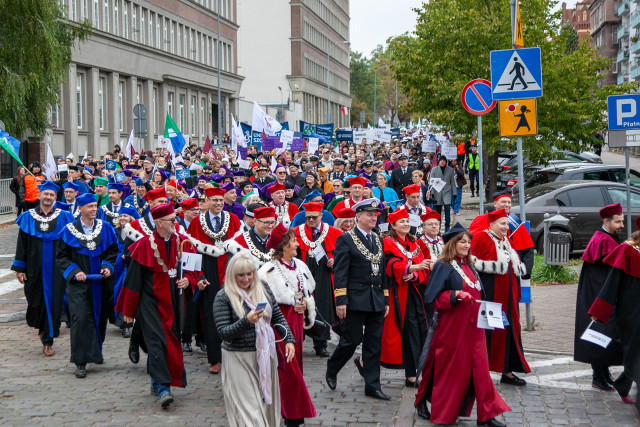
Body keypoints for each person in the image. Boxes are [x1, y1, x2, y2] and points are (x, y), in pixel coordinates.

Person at [415, 223, 510, 426]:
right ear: (453, 243)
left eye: (468, 242)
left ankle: (487, 416)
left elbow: (478, 292)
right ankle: (426, 402)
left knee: (482, 371)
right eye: (462, 242)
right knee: (449, 371)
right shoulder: (444, 265)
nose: (467, 245)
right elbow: (433, 296)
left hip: (475, 328)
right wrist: (454, 294)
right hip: (452, 329)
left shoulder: (469, 265)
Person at [116, 203, 205, 408]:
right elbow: (133, 281)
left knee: (171, 341)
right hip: (151, 304)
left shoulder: (184, 243)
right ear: (159, 223)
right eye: (172, 220)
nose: (176, 223)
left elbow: (194, 271)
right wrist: (128, 312)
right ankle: (165, 388)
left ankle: (156, 381)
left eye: (176, 219)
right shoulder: (144, 245)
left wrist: (189, 281)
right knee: (157, 342)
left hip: (175, 301)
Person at [213, 252, 295, 427]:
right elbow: (223, 333)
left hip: (265, 356)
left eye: (249, 273)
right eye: (240, 275)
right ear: (232, 275)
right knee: (250, 413)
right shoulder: (223, 296)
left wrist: (289, 340)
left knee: (267, 409)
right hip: (238, 358)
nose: (246, 278)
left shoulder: (263, 288)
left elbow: (278, 318)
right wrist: (246, 321)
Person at [326, 198, 391, 401]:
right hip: (355, 299)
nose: (373, 218)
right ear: (359, 216)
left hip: (376, 299)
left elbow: (382, 271)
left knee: (373, 344)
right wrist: (341, 300)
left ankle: (373, 385)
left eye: (375, 215)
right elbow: (340, 271)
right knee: (351, 340)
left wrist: (385, 298)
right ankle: (333, 366)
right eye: (369, 215)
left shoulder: (378, 239)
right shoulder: (346, 239)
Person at [259, 225, 317, 426]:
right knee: (287, 368)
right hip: (280, 324)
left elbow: (308, 290)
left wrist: (304, 304)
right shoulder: (268, 271)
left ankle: (286, 408)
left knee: (296, 367)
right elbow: (262, 301)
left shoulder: (300, 265)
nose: (297, 244)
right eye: (293, 241)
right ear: (283, 245)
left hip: (298, 321)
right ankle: (294, 413)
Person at [57, 193, 119, 378]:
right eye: (90, 206)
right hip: (79, 285)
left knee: (99, 319)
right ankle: (80, 361)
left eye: (95, 206)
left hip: (100, 284)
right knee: (81, 319)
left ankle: (95, 352)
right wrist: (75, 271)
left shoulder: (105, 228)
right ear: (81, 209)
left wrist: (108, 266)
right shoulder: (68, 230)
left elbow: (112, 251)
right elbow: (61, 257)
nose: (94, 209)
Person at [11, 181, 74, 356]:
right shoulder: (28, 217)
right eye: (45, 194)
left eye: (51, 195)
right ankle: (42, 328)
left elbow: (70, 244)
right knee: (35, 301)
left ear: (56, 198)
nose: (48, 197)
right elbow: (21, 245)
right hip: (34, 269)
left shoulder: (64, 217)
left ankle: (48, 340)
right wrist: (20, 268)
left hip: (57, 269)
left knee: (54, 304)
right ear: (39, 196)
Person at [471, 209, 531, 385]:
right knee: (489, 333)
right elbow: (474, 265)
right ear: (491, 225)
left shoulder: (506, 240)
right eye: (502, 224)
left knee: (510, 330)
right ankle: (480, 372)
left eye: (506, 224)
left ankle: (507, 371)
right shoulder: (482, 238)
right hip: (491, 295)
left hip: (509, 296)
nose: (506, 227)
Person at [187, 186, 241, 374]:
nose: (218, 203)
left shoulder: (233, 220)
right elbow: (192, 251)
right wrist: (198, 276)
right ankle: (214, 359)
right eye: (214, 200)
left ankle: (233, 355)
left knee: (234, 313)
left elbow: (239, 247)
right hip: (207, 270)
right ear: (207, 202)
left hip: (229, 270)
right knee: (210, 315)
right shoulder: (196, 222)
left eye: (221, 200)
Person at [589, 224, 640, 415]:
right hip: (631, 314)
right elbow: (611, 285)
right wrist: (599, 310)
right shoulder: (627, 251)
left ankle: (622, 384)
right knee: (635, 352)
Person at [574, 203, 624, 391]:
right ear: (606, 221)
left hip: (602, 295)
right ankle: (597, 375)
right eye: (617, 221)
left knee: (606, 334)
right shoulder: (603, 240)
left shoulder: (609, 237)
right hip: (597, 296)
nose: (621, 225)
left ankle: (604, 371)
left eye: (622, 221)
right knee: (599, 334)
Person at [381, 208, 429, 386]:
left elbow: (422, 267)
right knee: (404, 333)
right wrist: (408, 269)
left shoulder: (414, 244)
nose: (406, 224)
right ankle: (410, 373)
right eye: (402, 222)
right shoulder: (387, 242)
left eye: (407, 222)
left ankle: (414, 370)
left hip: (414, 292)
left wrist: (415, 274)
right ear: (393, 225)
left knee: (416, 331)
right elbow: (389, 265)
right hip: (396, 294)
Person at [294, 202, 343, 356]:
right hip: (302, 273)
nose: (311, 220)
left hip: (324, 274)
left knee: (321, 306)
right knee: (301, 306)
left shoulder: (334, 233)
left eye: (314, 217)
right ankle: (298, 341)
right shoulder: (296, 232)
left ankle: (320, 344)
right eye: (308, 218)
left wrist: (335, 260)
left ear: (321, 216)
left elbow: (342, 255)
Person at [427, 156, 456, 232]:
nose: (442, 162)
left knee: (447, 210)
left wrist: (454, 192)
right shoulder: (434, 170)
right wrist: (432, 193)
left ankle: (447, 227)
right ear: (439, 162)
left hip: (447, 192)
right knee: (438, 212)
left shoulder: (450, 170)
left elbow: (452, 182)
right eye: (441, 160)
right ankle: (438, 228)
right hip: (437, 193)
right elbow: (431, 182)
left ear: (446, 162)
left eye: (443, 160)